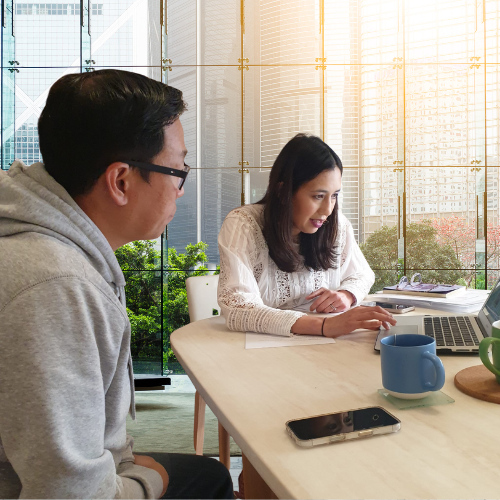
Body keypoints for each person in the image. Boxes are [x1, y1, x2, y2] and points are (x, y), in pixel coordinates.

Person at [0, 70, 233, 499]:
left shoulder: (48, 247)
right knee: (209, 480)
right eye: (178, 170)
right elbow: (69, 493)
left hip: (73, 464)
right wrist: (148, 480)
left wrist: (122, 460)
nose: (181, 189)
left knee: (209, 475)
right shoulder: (55, 286)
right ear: (121, 181)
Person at [217, 134, 396, 338]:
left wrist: (346, 296)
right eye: (318, 196)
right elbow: (238, 307)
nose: (328, 209)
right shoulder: (244, 224)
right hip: (262, 352)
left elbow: (362, 274)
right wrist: (324, 327)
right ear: (283, 191)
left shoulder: (336, 225)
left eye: (334, 195)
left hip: (322, 349)